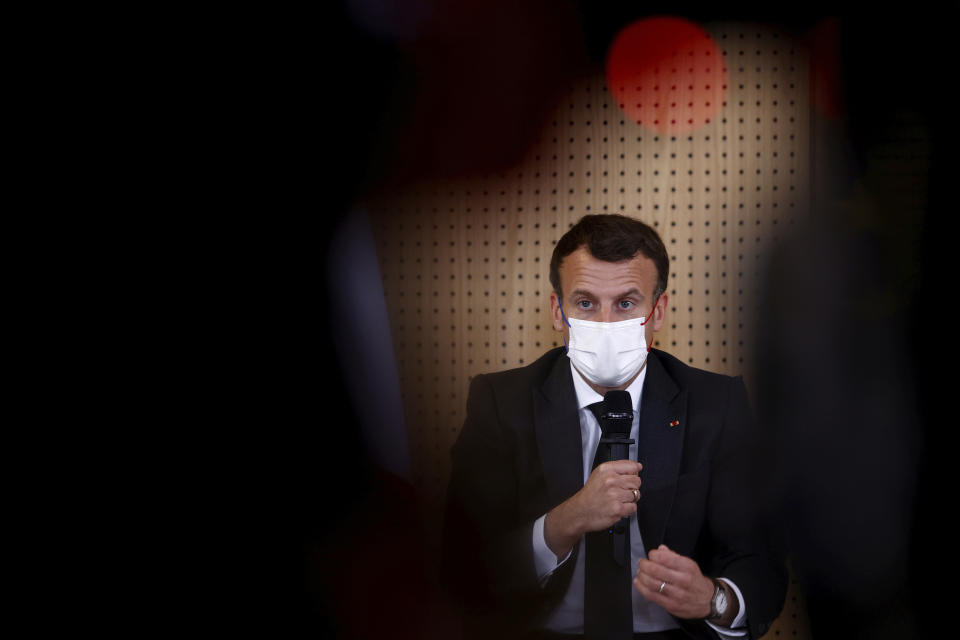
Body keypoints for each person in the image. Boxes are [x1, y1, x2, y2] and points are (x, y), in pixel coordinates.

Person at [442, 214, 786, 640]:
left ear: (657, 312)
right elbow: (462, 566)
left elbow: (760, 561)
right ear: (557, 310)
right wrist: (562, 524)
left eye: (626, 303)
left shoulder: (717, 405)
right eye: (585, 303)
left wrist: (713, 598)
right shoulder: (501, 403)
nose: (605, 323)